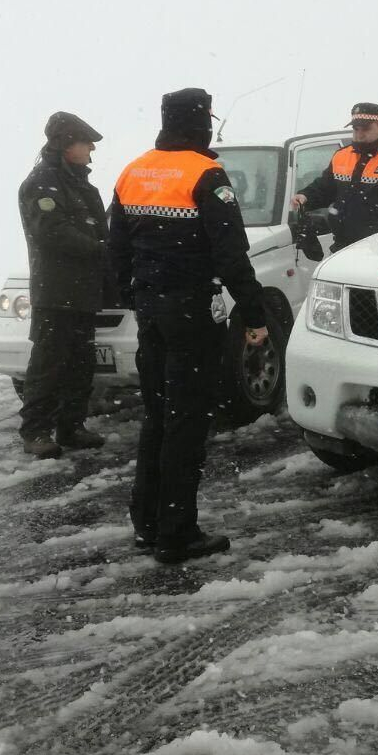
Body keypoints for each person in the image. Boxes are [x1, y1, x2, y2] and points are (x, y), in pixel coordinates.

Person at [108, 88, 269, 564]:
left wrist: (134, 296)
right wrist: (255, 316)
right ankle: (178, 534)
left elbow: (115, 249)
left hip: (152, 312)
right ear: (201, 123)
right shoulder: (206, 174)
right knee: (188, 422)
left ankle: (148, 523)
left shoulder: (133, 171)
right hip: (192, 313)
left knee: (157, 416)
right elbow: (231, 254)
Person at [17, 111, 114, 459]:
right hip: (56, 293)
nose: (91, 149)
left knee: (79, 364)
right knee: (48, 364)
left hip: (83, 291)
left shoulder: (78, 183)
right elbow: (52, 231)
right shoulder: (41, 183)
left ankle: (72, 426)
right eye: (85, 142)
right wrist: (100, 249)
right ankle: (36, 431)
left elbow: (97, 226)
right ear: (65, 144)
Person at [290, 101, 378, 252]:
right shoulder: (341, 156)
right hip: (343, 247)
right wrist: (305, 196)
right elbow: (324, 188)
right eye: (356, 128)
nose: (359, 134)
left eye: (366, 128)